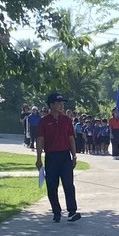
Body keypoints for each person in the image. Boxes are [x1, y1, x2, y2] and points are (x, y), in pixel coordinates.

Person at [34, 92, 80, 222]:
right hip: (51, 156)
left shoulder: (66, 120)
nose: (61, 105)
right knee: (52, 185)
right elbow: (40, 139)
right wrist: (38, 158)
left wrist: (74, 155)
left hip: (65, 156)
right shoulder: (44, 121)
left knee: (69, 184)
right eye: (59, 103)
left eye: (62, 103)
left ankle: (72, 211)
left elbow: (71, 138)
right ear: (51, 105)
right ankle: (56, 212)